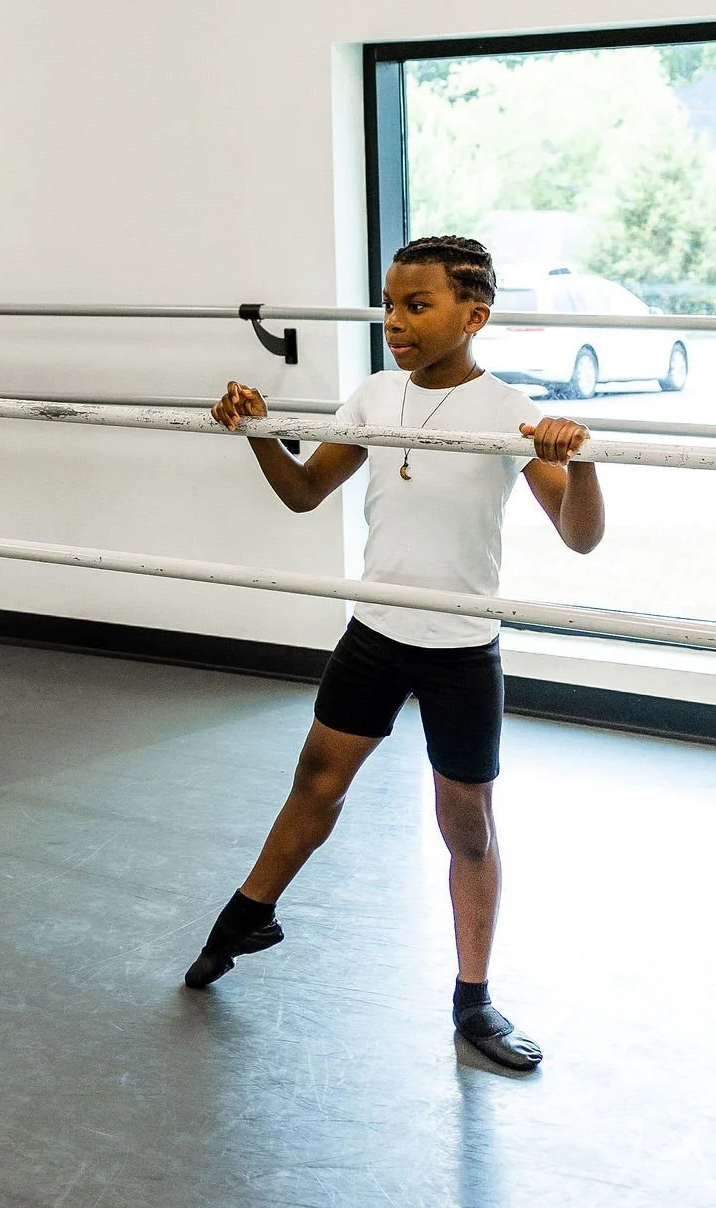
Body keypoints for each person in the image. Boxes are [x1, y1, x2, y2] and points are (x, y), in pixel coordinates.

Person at [185, 235, 605, 1071]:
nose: (395, 321)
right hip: (376, 631)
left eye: (417, 305)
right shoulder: (375, 395)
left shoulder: (511, 409)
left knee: (468, 829)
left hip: (458, 648)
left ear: (473, 315)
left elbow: (580, 535)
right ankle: (246, 916)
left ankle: (474, 1001)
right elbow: (305, 491)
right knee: (317, 780)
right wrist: (260, 430)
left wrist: (579, 460)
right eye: (389, 303)